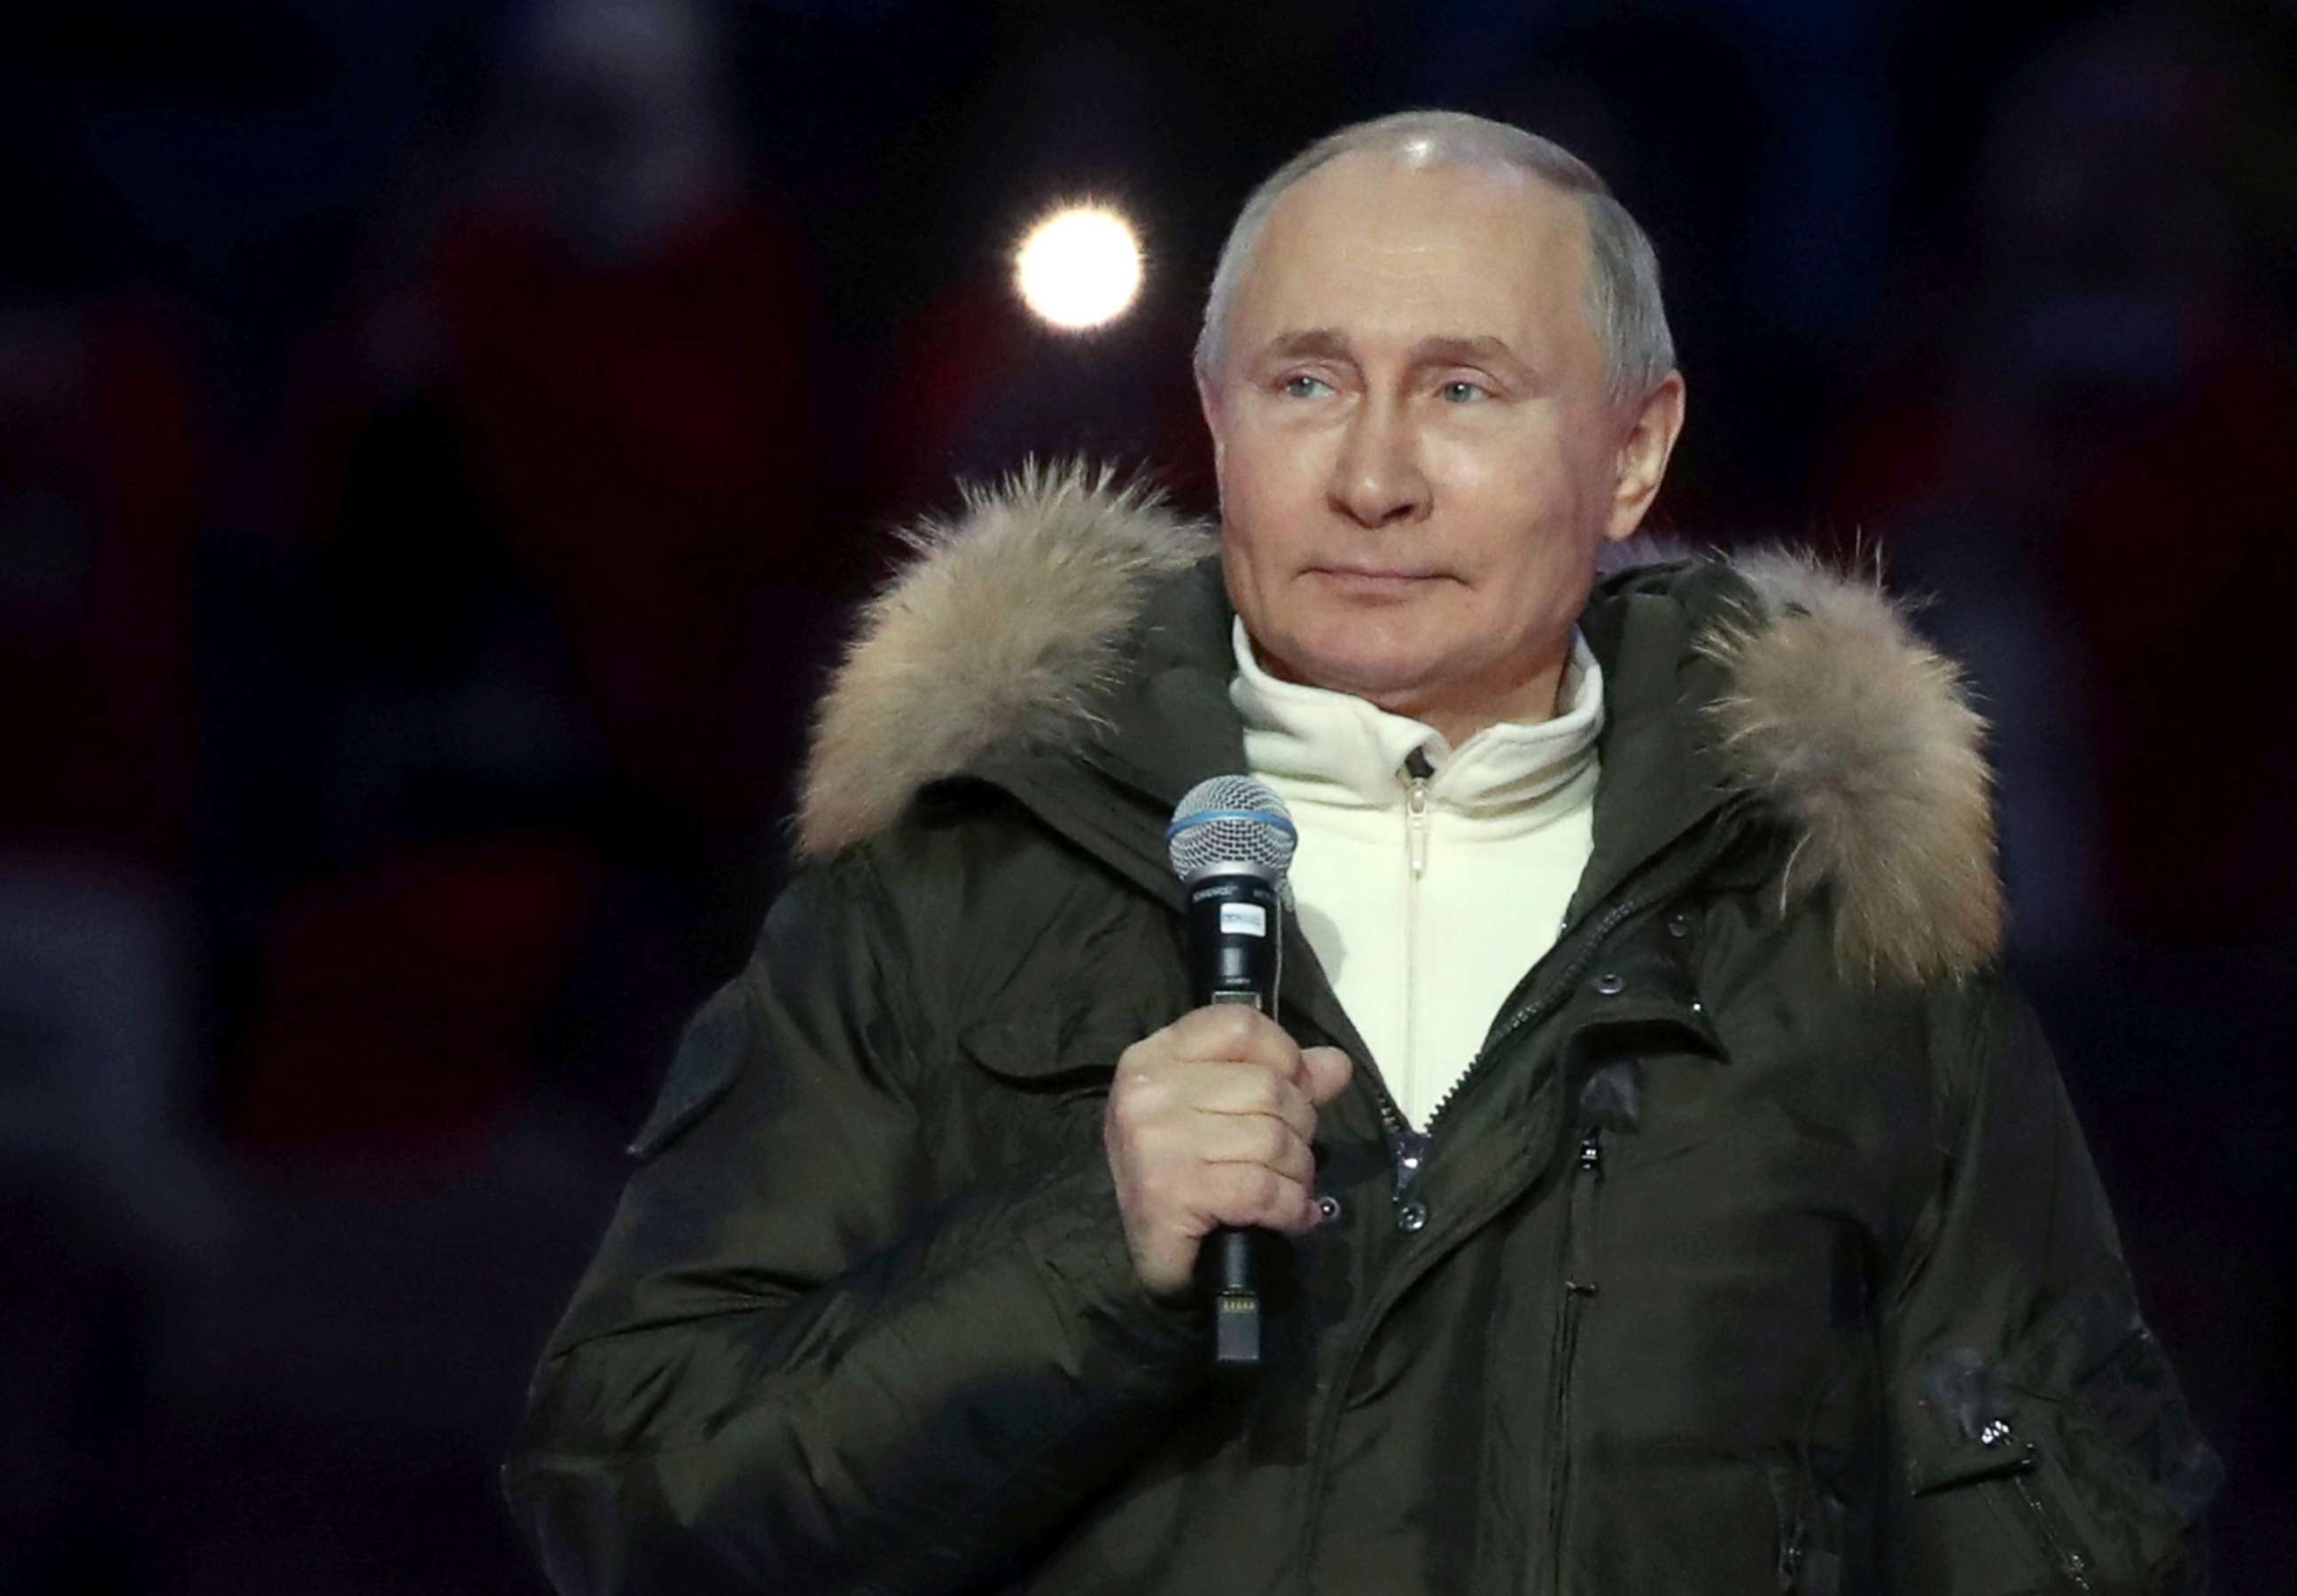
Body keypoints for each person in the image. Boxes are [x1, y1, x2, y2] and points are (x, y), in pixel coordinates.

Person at [503, 111, 2217, 1594]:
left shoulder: (1839, 928)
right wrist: (1086, 1252)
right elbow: (631, 1506)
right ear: (1216, 416)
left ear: (1633, 451)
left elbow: (2072, 1532)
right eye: (1308, 381)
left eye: (1464, 387)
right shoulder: (956, 889)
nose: (1374, 475)